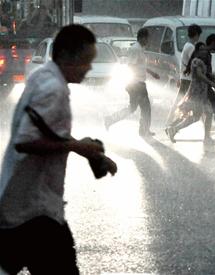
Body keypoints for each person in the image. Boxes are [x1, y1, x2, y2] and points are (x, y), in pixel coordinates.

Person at [0, 25, 117, 275]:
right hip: (35, 214)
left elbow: (48, 130)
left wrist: (86, 151)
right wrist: (76, 145)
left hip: (22, 205)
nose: (88, 68)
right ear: (64, 55)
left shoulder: (43, 76)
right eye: (84, 61)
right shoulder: (53, 89)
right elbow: (25, 141)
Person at [104, 28, 160, 136]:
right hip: (137, 84)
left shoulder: (139, 49)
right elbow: (131, 65)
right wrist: (133, 83)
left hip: (137, 83)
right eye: (147, 38)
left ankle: (110, 119)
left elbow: (141, 66)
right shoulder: (135, 49)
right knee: (146, 108)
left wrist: (152, 73)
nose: (148, 41)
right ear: (143, 38)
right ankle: (144, 130)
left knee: (133, 107)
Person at [165, 42, 215, 143]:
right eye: (201, 50)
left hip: (201, 92)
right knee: (205, 113)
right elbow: (200, 75)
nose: (203, 51)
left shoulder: (199, 61)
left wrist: (210, 76)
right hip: (197, 92)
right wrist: (212, 83)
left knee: (197, 116)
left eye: (204, 49)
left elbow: (203, 74)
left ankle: (174, 129)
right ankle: (206, 137)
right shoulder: (196, 61)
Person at [166, 24, 202, 126]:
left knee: (181, 100)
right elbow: (194, 64)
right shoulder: (191, 47)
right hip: (189, 79)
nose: (199, 37)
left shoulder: (187, 45)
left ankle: (171, 121)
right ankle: (172, 122)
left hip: (185, 78)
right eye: (198, 35)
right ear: (195, 35)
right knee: (186, 101)